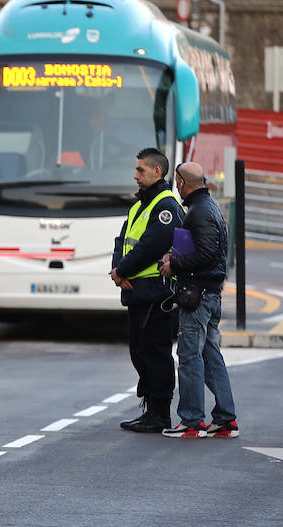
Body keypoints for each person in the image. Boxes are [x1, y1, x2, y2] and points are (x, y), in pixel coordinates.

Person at [158, 162, 238, 438]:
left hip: (198, 295)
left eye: (176, 182)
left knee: (189, 356)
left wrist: (174, 265)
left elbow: (204, 254)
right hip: (211, 294)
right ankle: (226, 420)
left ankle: (192, 422)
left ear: (180, 182)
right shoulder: (210, 206)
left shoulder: (199, 212)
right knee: (210, 355)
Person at [110, 148, 184, 433]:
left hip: (156, 291)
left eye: (141, 170)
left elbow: (151, 245)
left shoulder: (165, 206)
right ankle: (150, 407)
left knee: (155, 351)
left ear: (157, 172)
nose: (135, 174)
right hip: (138, 290)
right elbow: (123, 239)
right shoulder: (141, 204)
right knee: (140, 351)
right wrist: (119, 271)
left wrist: (122, 271)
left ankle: (160, 413)